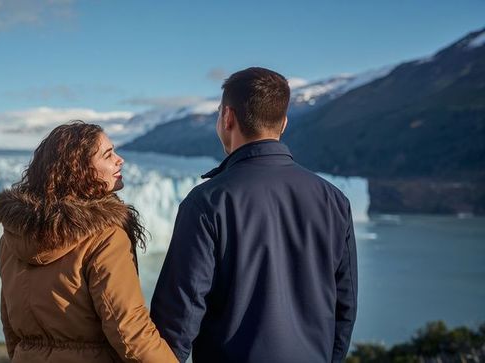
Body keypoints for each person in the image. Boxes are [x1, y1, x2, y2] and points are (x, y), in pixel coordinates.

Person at [150, 67, 358, 363]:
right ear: (283, 123)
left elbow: (177, 320)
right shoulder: (334, 200)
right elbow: (344, 307)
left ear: (227, 118)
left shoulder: (208, 202)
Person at [0, 121, 176, 362]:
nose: (120, 160)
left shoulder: (12, 237)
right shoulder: (104, 236)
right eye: (108, 155)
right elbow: (129, 330)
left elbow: (10, 326)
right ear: (79, 169)